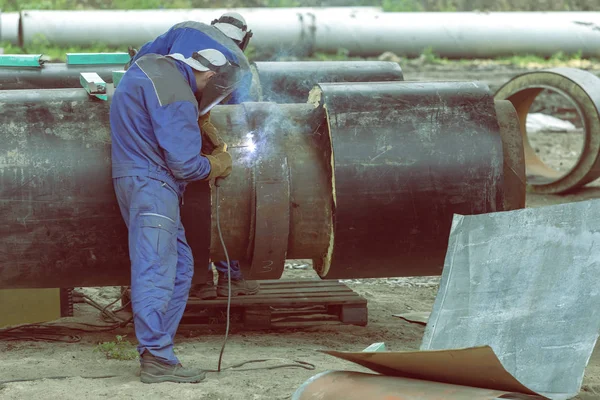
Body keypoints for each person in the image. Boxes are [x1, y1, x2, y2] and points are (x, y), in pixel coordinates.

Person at [110, 48, 241, 384]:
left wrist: (194, 122)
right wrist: (215, 164)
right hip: (152, 185)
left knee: (181, 265)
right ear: (210, 76)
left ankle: (157, 349)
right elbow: (183, 165)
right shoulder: (179, 95)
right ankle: (156, 356)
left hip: (136, 178)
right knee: (156, 268)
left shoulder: (153, 66)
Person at [125, 11, 260, 300]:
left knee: (176, 205)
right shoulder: (239, 64)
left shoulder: (184, 29)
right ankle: (228, 277)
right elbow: (239, 111)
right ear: (245, 40)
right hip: (186, 129)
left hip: (155, 126)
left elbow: (140, 62)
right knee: (216, 202)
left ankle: (195, 279)